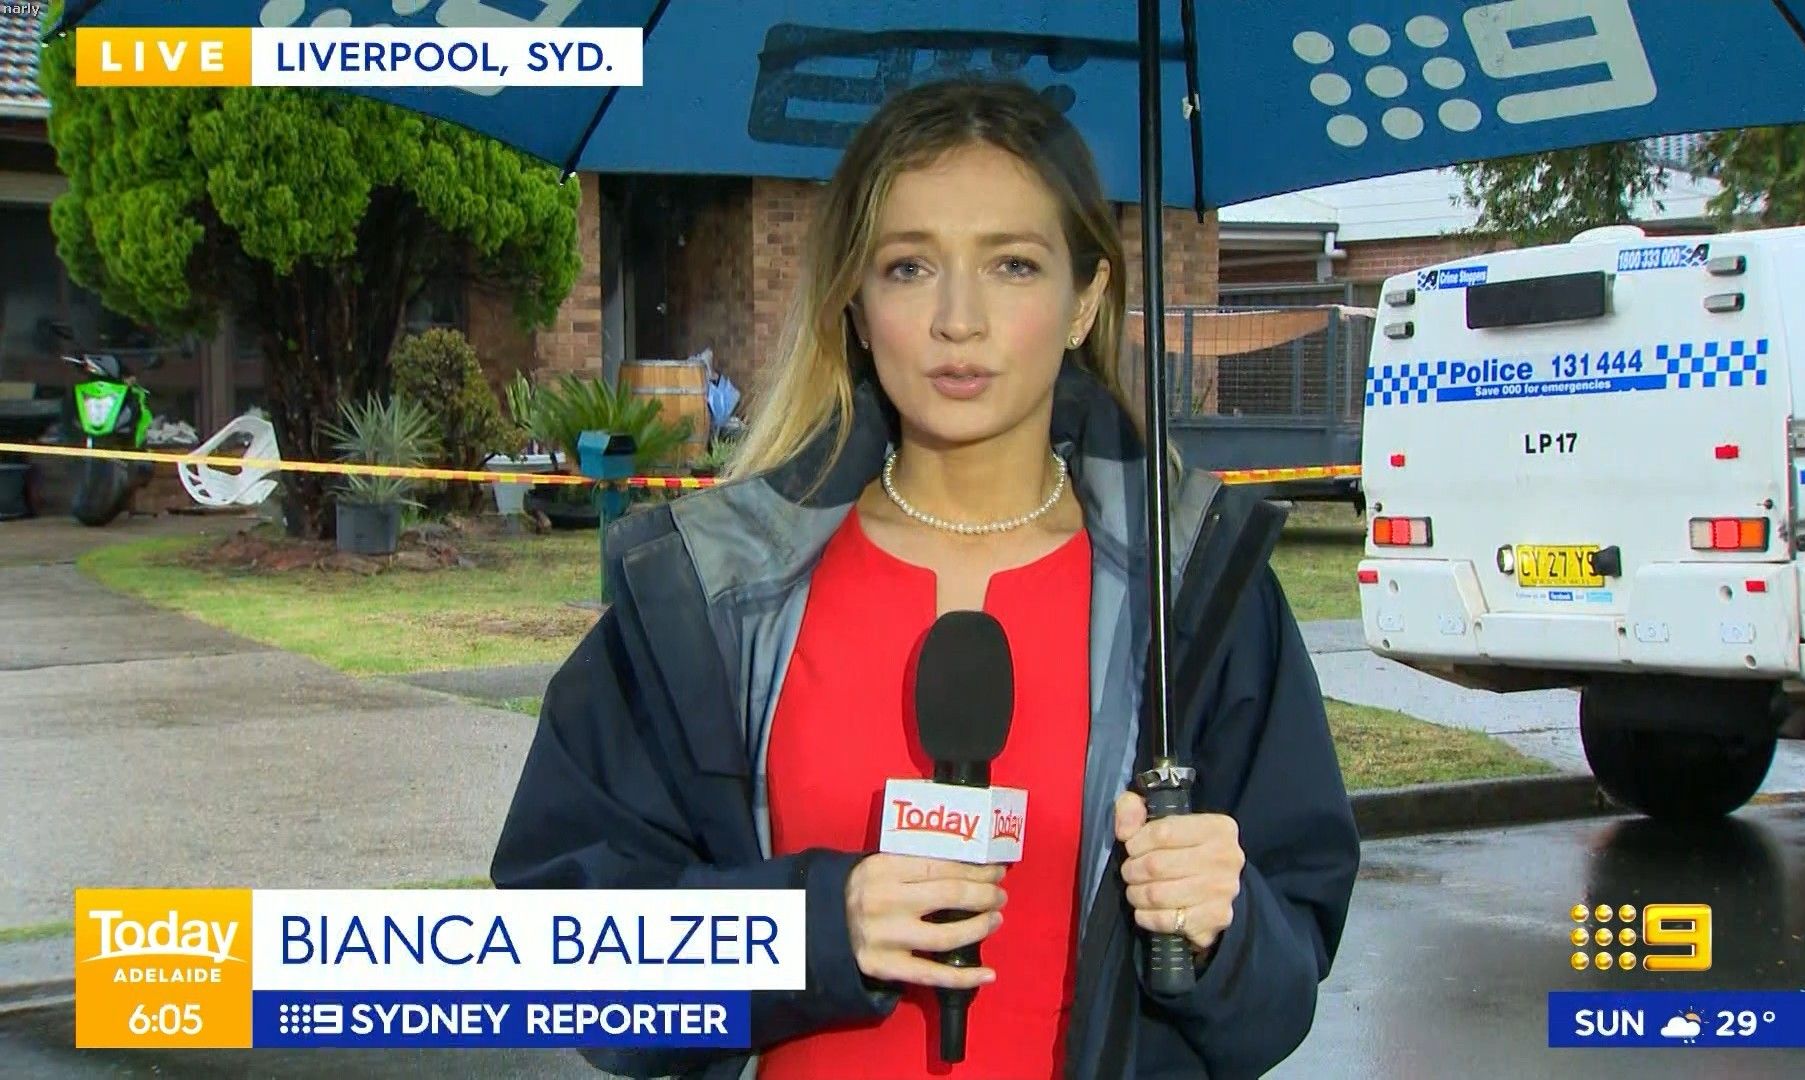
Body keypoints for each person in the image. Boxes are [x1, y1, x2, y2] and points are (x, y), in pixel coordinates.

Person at [490, 76, 1361, 1080]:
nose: (958, 319)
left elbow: (1281, 990)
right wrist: (811, 931)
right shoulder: (711, 592)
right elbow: (565, 948)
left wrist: (1222, 932)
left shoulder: (1197, 592)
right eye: (909, 267)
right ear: (856, 305)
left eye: (1013, 265)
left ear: (1085, 300)